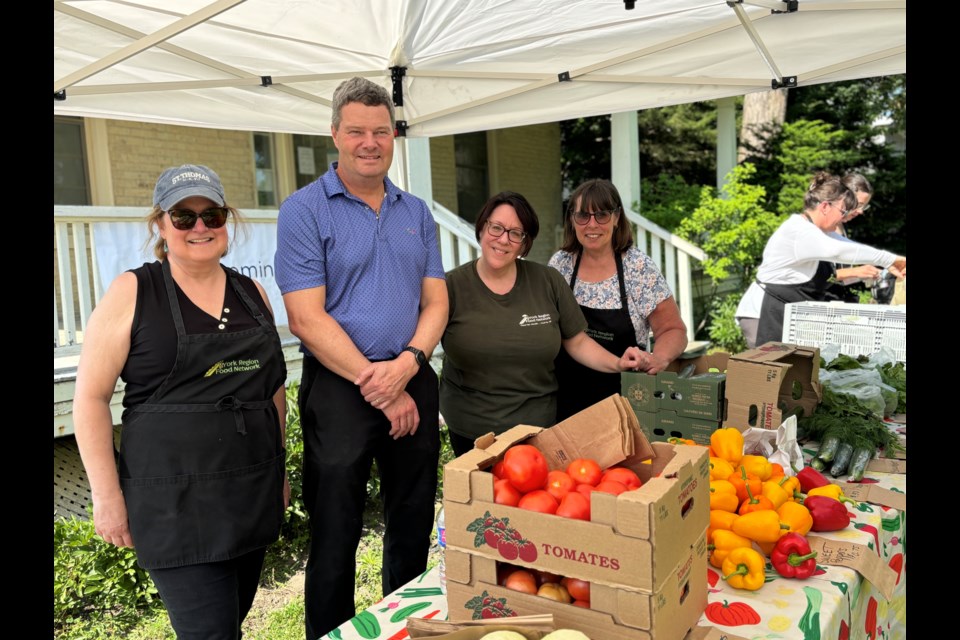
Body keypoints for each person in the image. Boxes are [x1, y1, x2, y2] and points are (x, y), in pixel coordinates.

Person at [73, 164, 288, 640]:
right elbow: (89, 398)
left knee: (231, 623)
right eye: (183, 216)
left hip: (249, 493)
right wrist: (107, 497)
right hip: (175, 504)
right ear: (160, 225)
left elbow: (272, 391)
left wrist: (280, 472)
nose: (199, 228)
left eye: (211, 215)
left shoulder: (252, 292)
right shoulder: (133, 291)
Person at [274, 77, 448, 640]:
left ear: (394, 135)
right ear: (335, 135)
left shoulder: (415, 212)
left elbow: (436, 300)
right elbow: (306, 317)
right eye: (356, 131)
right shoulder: (303, 210)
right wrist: (383, 384)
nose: (369, 142)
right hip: (340, 389)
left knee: (412, 523)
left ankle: (407, 630)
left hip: (412, 375)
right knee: (334, 532)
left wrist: (409, 365)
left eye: (380, 130)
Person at [439, 191, 644, 457]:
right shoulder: (450, 287)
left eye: (516, 233)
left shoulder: (547, 281)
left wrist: (617, 363)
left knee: (535, 498)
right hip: (472, 433)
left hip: (538, 431)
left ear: (525, 243)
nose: (503, 239)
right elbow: (421, 341)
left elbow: (577, 341)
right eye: (497, 228)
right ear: (482, 227)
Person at [548, 179, 688, 421]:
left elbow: (673, 329)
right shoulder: (560, 265)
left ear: (616, 217)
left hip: (626, 405)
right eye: (582, 215)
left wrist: (658, 358)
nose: (592, 224)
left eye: (601, 214)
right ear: (572, 219)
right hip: (565, 404)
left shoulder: (637, 267)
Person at [737, 171, 906, 347]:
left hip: (785, 312)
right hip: (763, 314)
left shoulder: (816, 230)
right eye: (843, 210)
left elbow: (846, 244)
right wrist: (890, 260)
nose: (844, 217)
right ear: (825, 207)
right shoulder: (800, 231)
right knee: (768, 370)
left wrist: (895, 260)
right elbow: (839, 250)